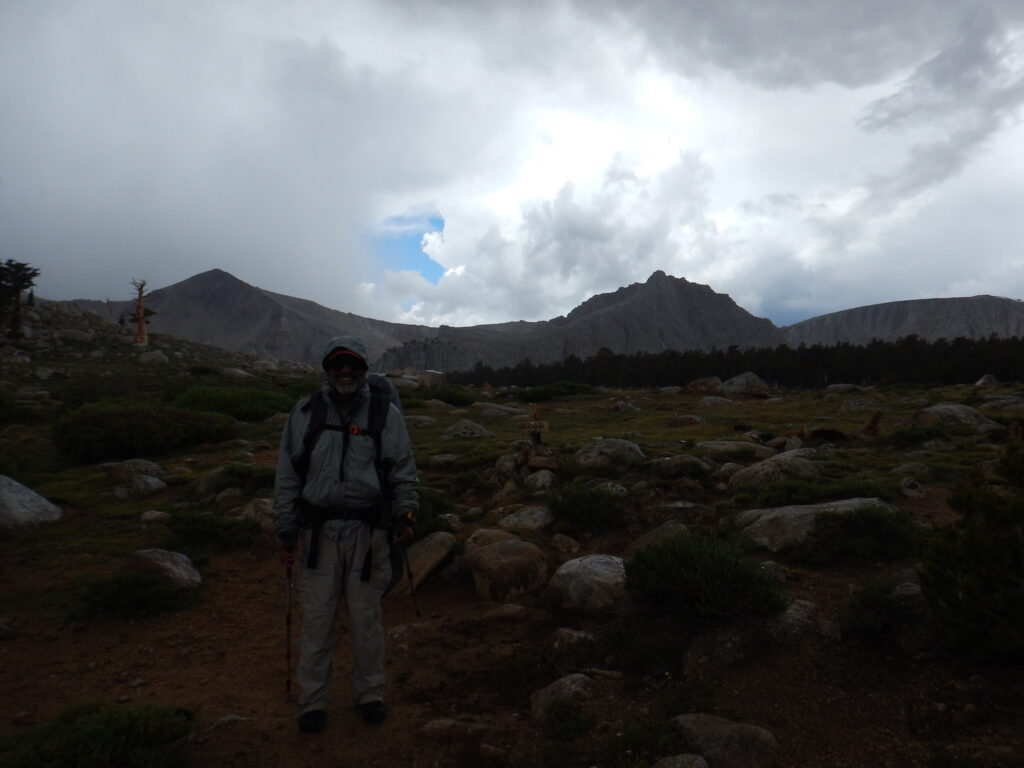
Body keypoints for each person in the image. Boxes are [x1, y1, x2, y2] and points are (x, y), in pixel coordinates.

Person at [274, 335, 418, 733]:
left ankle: (370, 694)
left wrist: (405, 515)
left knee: (366, 621)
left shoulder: (385, 414)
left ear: (363, 368)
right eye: (337, 365)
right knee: (317, 621)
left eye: (352, 364)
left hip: (368, 535)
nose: (345, 371)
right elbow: (287, 475)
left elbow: (402, 468)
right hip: (318, 535)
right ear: (327, 369)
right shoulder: (304, 413)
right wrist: (285, 526)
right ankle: (313, 702)